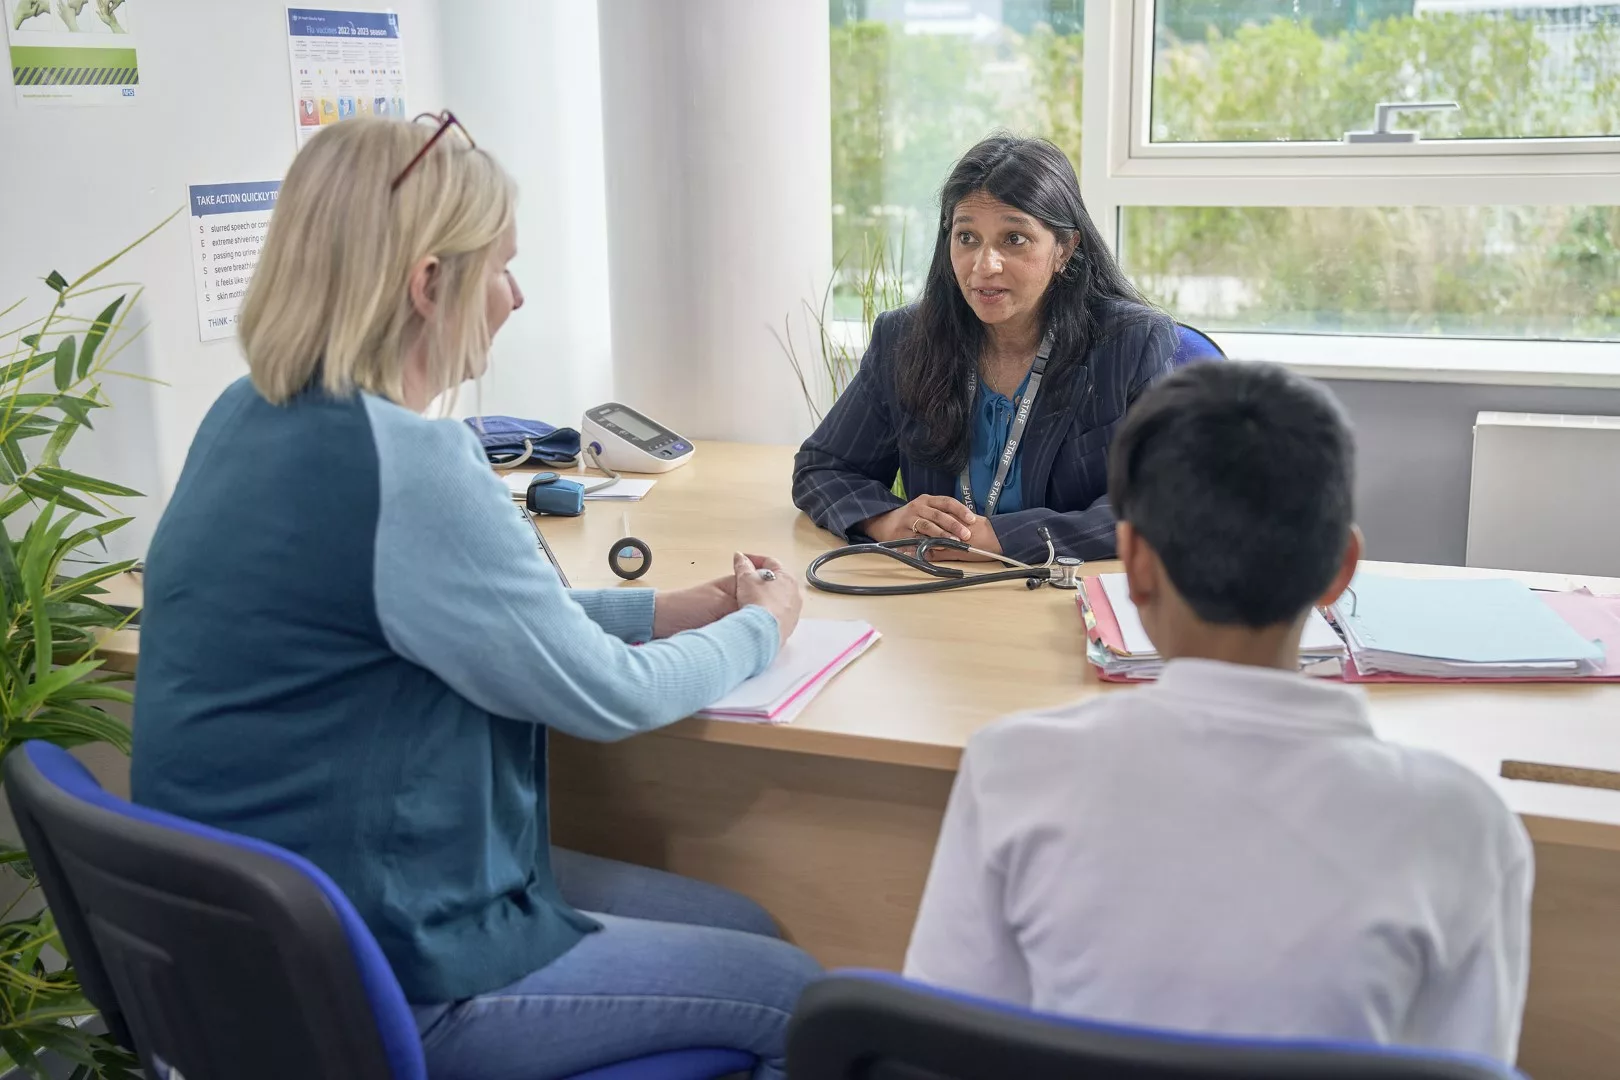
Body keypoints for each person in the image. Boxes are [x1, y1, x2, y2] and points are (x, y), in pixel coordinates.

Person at [130, 115, 820, 1080]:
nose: (518, 295)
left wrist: (664, 609)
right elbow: (610, 698)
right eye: (502, 267)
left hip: (253, 954)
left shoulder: (244, 415)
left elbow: (461, 621)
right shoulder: (409, 464)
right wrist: (761, 626)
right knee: (805, 1000)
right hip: (390, 974)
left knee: (738, 921)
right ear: (427, 284)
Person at [903, 362, 1533, 1062]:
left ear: (1134, 563)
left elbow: (944, 1048)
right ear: (1341, 569)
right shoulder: (1468, 827)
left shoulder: (1012, 770)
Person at [792, 135, 1175, 564]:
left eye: (1014, 239)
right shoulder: (903, 338)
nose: (983, 266)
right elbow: (822, 467)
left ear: (1064, 248)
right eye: (967, 237)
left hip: (1057, 601)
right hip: (931, 595)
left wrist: (1001, 538)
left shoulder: (1132, 342)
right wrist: (886, 520)